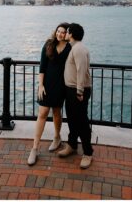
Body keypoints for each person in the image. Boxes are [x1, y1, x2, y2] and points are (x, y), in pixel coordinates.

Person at [27, 23, 71, 166]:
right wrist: (40, 85)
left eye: (63, 32)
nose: (60, 34)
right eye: (58, 31)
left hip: (61, 86)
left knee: (57, 112)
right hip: (46, 85)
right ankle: (35, 148)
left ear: (67, 34)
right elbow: (42, 67)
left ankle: (57, 138)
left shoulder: (70, 48)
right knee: (43, 113)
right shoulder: (48, 44)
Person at [59, 23, 93, 169]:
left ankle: (88, 152)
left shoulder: (79, 49)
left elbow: (81, 71)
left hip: (78, 91)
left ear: (71, 34)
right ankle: (72, 145)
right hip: (71, 90)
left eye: (67, 32)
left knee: (82, 122)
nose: (65, 34)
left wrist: (79, 92)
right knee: (72, 120)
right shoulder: (74, 47)